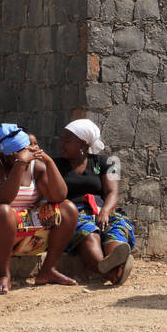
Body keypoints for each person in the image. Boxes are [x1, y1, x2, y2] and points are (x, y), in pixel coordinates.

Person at [0, 123, 79, 293]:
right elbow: (3, 198)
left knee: (68, 208)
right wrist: (20, 164)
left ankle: (48, 270)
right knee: (3, 210)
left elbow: (59, 196)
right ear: (11, 153)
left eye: (31, 147)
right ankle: (4, 274)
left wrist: (49, 162)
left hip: (25, 236)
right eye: (26, 148)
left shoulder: (36, 166)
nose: (31, 151)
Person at [55, 119, 135, 286]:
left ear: (83, 144)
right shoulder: (55, 165)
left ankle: (116, 259)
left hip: (103, 210)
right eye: (61, 139)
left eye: (67, 141)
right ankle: (113, 273)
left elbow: (113, 192)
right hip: (74, 213)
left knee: (117, 229)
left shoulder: (109, 162)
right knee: (88, 233)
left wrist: (105, 212)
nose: (61, 144)